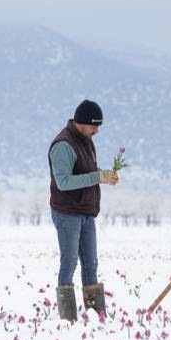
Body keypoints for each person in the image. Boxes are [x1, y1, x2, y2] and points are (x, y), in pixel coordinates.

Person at [48, 99, 119, 321]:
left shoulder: (85, 140)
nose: (96, 130)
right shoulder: (63, 145)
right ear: (81, 122)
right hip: (67, 213)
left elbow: (85, 170)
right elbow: (64, 182)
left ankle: (97, 317)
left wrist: (103, 174)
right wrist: (97, 177)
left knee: (91, 263)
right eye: (94, 126)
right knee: (69, 262)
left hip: (86, 212)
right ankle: (67, 319)